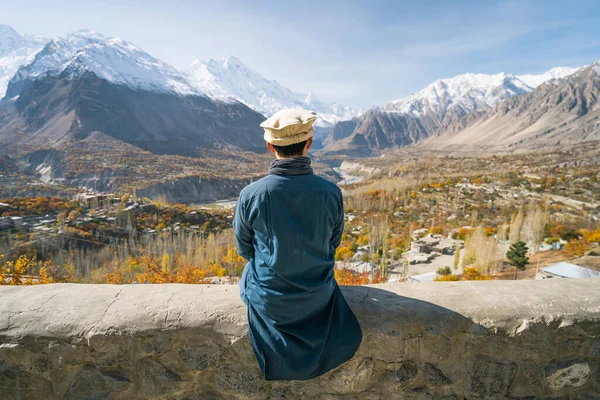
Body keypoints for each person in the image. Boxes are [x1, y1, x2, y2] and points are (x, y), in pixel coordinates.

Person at [233, 108, 362, 381]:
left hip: (270, 300)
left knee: (248, 273)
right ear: (309, 143)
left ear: (270, 146)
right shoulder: (331, 191)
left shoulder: (251, 195)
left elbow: (245, 248)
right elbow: (333, 242)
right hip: (318, 295)